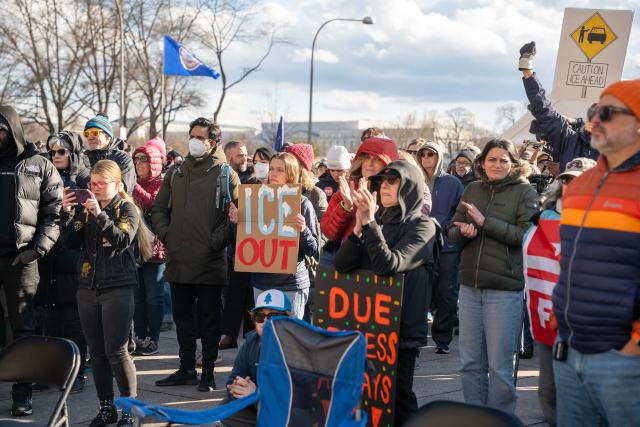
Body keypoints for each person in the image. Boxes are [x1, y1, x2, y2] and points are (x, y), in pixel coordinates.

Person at [551, 80, 640, 427]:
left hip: (624, 361)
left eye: (607, 112)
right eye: (593, 112)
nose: (595, 120)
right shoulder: (578, 186)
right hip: (569, 350)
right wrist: (561, 319)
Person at [335, 160, 437, 426]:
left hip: (401, 329)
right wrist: (358, 229)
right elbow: (343, 265)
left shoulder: (424, 226)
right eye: (382, 182)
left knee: (399, 397)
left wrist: (369, 224)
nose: (385, 187)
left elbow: (389, 265)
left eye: (393, 181)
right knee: (369, 397)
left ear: (409, 187)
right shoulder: (375, 219)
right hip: (370, 324)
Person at [449, 138, 538, 413]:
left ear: (513, 164)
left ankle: (500, 420)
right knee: (469, 364)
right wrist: (463, 231)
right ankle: (475, 418)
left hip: (504, 289)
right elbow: (452, 233)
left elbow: (526, 236)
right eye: (492, 159)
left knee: (499, 367)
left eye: (503, 160)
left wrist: (486, 223)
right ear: (483, 162)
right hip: (470, 287)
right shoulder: (472, 189)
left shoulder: (525, 192)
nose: (497, 164)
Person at [61, 160, 153, 427]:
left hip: (118, 286)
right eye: (93, 183)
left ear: (117, 184)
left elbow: (122, 240)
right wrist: (66, 213)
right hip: (88, 286)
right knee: (97, 353)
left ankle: (128, 409)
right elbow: (68, 242)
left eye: (102, 183)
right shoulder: (87, 207)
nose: (96, 188)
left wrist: (99, 213)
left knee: (117, 351)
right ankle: (106, 408)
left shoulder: (127, 208)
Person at [152, 118, 239, 391]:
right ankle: (186, 368)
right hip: (179, 259)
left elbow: (236, 218)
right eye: (192, 135)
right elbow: (158, 209)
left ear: (213, 142)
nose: (194, 141)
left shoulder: (226, 174)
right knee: (182, 318)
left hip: (210, 262)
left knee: (210, 320)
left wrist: (215, 242)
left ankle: (209, 373)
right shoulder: (176, 172)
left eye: (199, 137)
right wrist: (168, 235)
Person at [523, 157, 596, 427]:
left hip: (589, 319)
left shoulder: (605, 218)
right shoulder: (544, 217)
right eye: (567, 179)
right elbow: (529, 253)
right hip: (549, 312)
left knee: (585, 386)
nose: (571, 185)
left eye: (579, 180)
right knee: (549, 386)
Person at [0, 106, 63, 417]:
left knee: (24, 327)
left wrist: (37, 249)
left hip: (22, 259)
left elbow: (55, 213)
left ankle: (22, 394)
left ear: (12, 129)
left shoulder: (40, 166)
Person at [229, 152, 318, 320]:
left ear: (291, 174)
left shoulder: (302, 203)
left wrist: (303, 230)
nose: (273, 174)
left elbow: (313, 250)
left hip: (291, 285)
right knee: (267, 337)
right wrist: (238, 224)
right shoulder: (256, 200)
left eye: (280, 170)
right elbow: (242, 244)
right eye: (271, 169)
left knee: (289, 339)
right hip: (261, 284)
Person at [35, 131, 90, 393]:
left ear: (73, 153)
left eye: (61, 151)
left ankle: (76, 373)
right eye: (52, 151)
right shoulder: (43, 178)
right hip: (49, 255)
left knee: (74, 318)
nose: (55, 156)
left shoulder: (85, 180)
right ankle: (50, 371)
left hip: (74, 255)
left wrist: (69, 211)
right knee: (49, 316)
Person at [518, 42, 598, 171]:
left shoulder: (618, 151)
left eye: (607, 118)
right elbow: (544, 110)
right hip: (567, 191)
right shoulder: (570, 139)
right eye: (595, 117)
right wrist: (527, 70)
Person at [416, 141, 464, 354]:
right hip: (419, 246)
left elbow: (460, 211)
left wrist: (446, 226)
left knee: (446, 292)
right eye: (423, 154)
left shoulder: (453, 183)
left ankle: (442, 339)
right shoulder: (414, 180)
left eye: (431, 154)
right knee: (420, 292)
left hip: (447, 246)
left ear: (440, 157)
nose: (427, 158)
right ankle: (416, 338)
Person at [222, 289, 292, 427]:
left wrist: (256, 394)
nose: (265, 321)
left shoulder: (294, 347)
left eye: (273, 316)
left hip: (289, 412)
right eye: (260, 316)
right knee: (227, 410)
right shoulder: (251, 342)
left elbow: (291, 398)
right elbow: (232, 381)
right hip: (260, 406)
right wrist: (239, 389)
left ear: (287, 319)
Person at [320, 137, 399, 251]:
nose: (370, 164)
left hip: (382, 260)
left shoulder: (397, 194)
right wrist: (346, 207)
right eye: (366, 157)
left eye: (377, 159)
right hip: (349, 261)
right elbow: (328, 232)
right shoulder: (347, 191)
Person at [219, 141, 260, 351]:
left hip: (252, 243)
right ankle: (229, 333)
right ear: (228, 157)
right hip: (232, 243)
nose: (244, 159)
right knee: (233, 293)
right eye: (239, 156)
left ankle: (249, 337)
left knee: (249, 295)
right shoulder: (223, 178)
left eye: (245, 155)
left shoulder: (255, 180)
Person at [131, 140, 167, 356]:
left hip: (155, 250)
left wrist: (132, 185)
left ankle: (153, 338)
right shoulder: (133, 182)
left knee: (154, 297)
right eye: (135, 160)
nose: (138, 164)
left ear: (153, 163)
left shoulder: (162, 183)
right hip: (135, 248)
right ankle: (140, 336)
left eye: (143, 159)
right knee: (137, 297)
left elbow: (152, 204)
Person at [83, 113, 136, 194]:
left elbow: (124, 191)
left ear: (109, 137)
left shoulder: (122, 158)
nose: (90, 137)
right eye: (87, 133)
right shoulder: (83, 158)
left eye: (95, 132)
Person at [284, 143, 328, 220]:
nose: (287, 166)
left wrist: (304, 228)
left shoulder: (316, 194)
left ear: (302, 168)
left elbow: (323, 229)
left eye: (291, 162)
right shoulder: (278, 188)